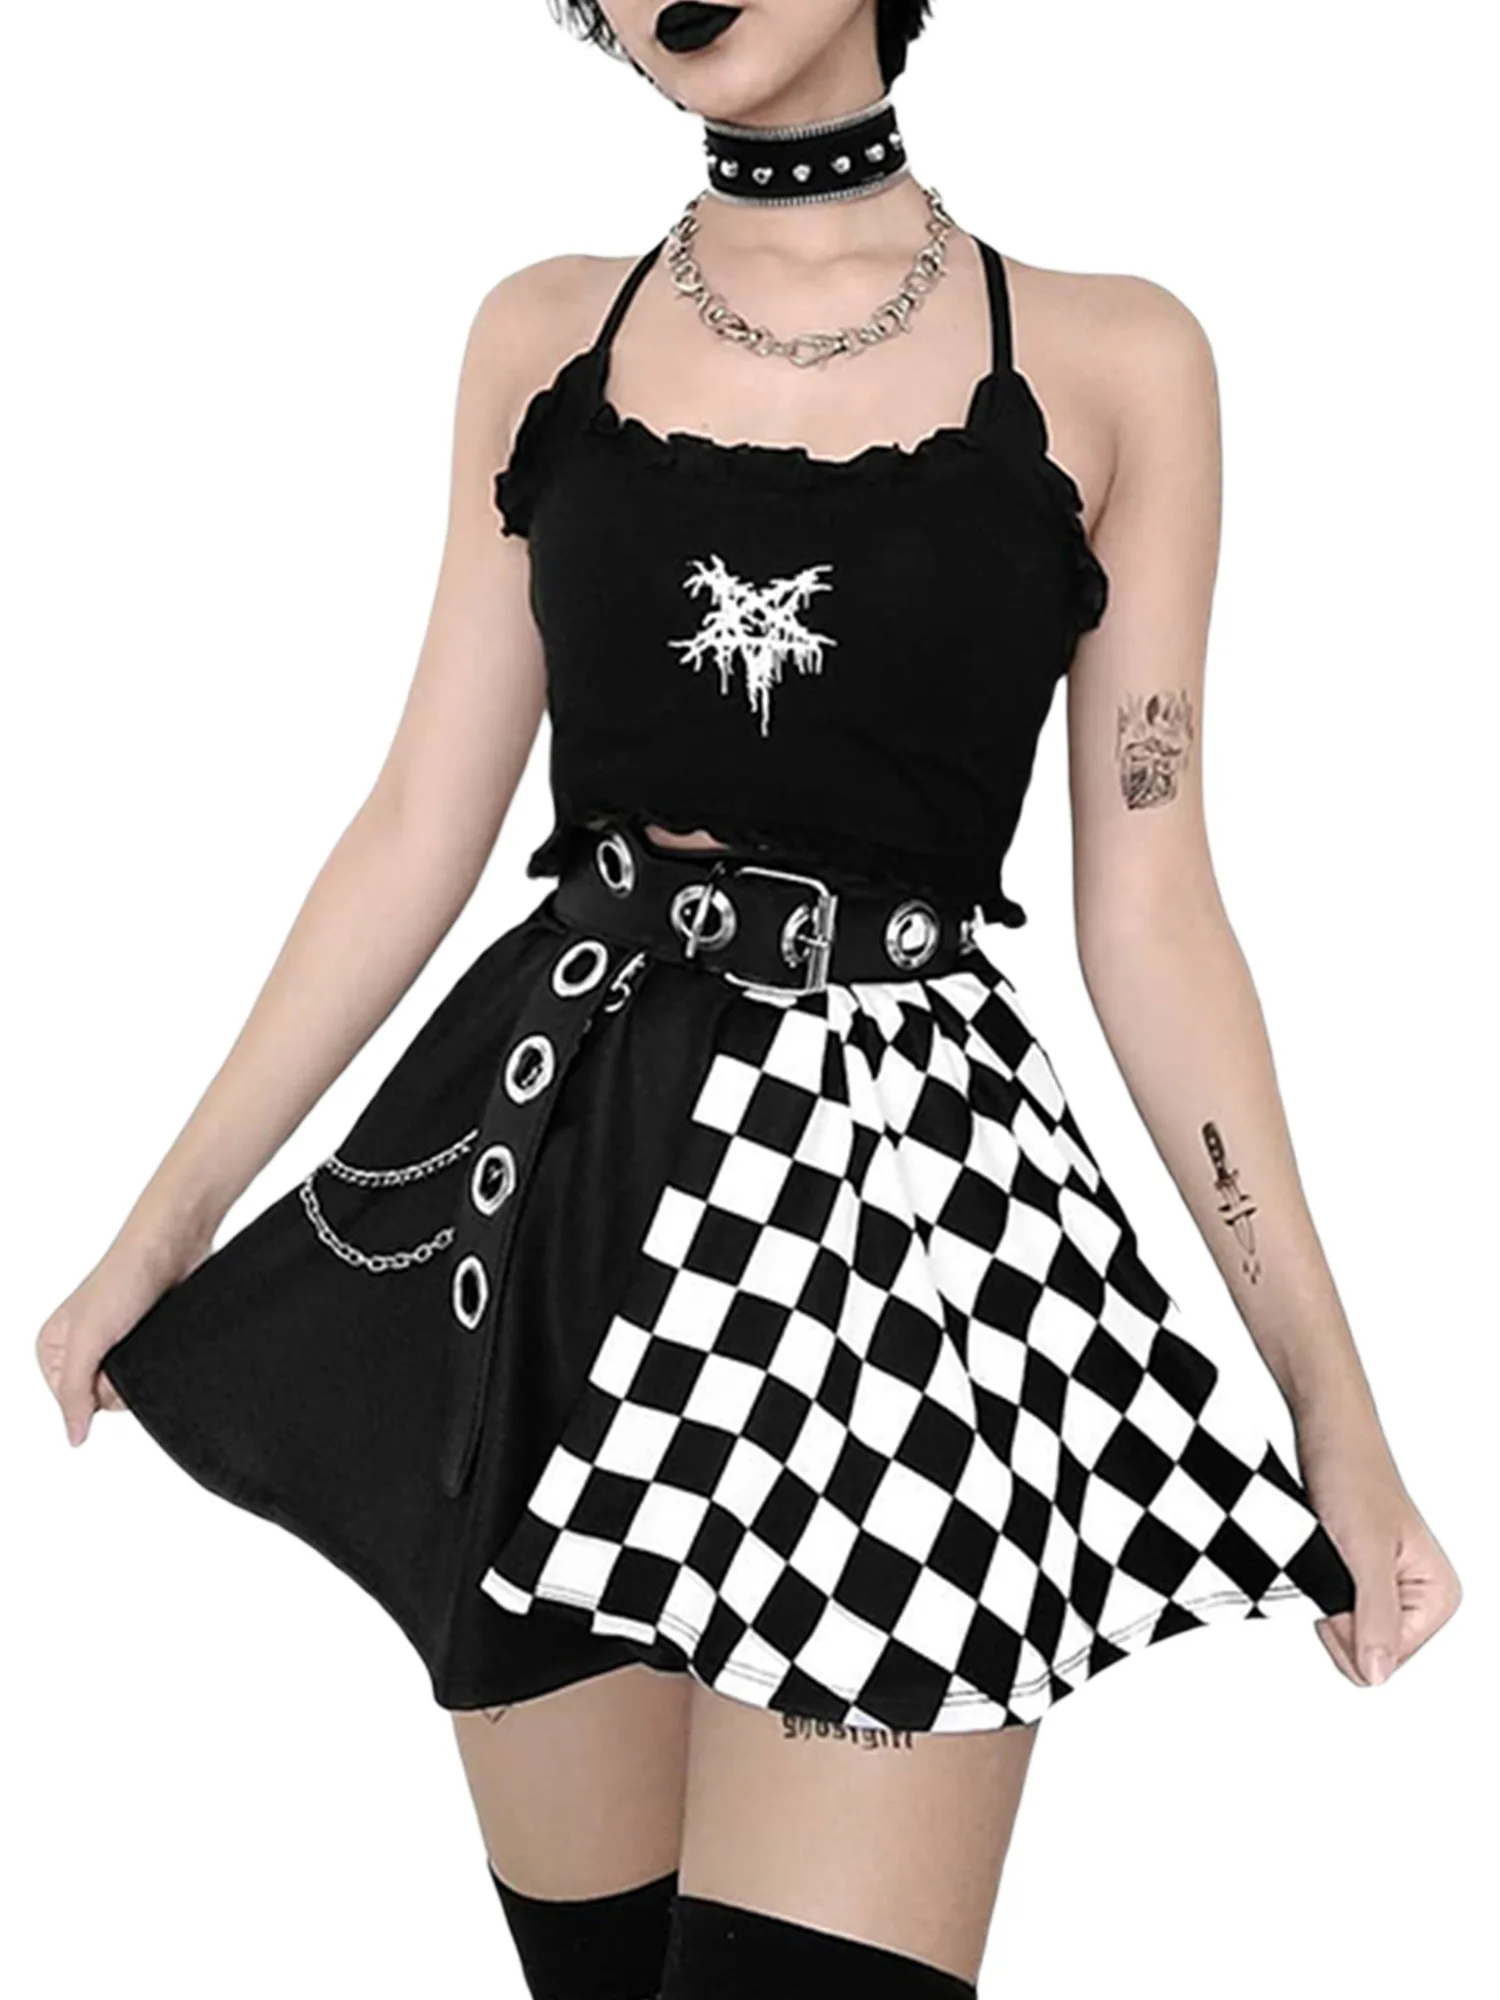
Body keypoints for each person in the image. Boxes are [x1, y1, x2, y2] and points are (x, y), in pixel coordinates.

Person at [36, 3, 1461, 1994]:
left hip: (895, 1245)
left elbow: (1155, 913)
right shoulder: (544, 334)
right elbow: (418, 826)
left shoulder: (1121, 359)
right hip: (552, 1209)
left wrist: (1336, 1409)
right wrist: (155, 1233)